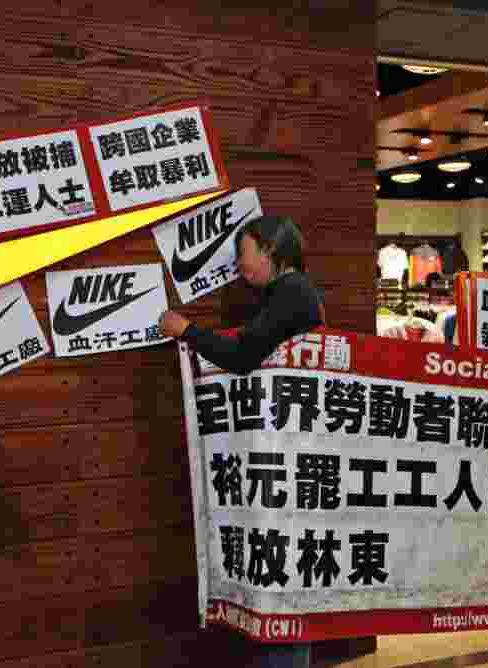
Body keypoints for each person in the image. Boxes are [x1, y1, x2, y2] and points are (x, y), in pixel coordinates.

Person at [159, 214, 324, 668]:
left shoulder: (292, 292)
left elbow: (245, 353)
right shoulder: (287, 294)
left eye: (244, 253)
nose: (239, 265)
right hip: (291, 453)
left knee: (284, 585)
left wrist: (187, 331)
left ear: (270, 250)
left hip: (294, 458)